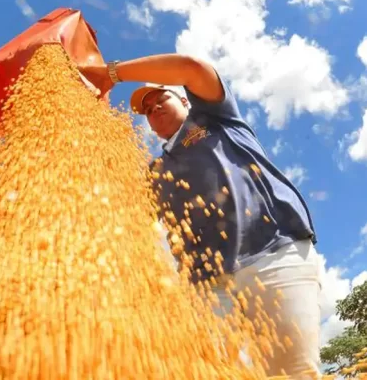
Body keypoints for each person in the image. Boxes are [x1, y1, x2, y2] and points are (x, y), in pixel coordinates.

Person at [80, 54, 322, 378]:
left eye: (160, 99)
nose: (154, 109)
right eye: (147, 110)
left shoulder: (216, 119)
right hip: (206, 285)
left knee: (293, 371)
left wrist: (110, 74)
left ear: (184, 100)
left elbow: (192, 69)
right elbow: (119, 215)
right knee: (209, 371)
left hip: (271, 252)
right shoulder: (155, 173)